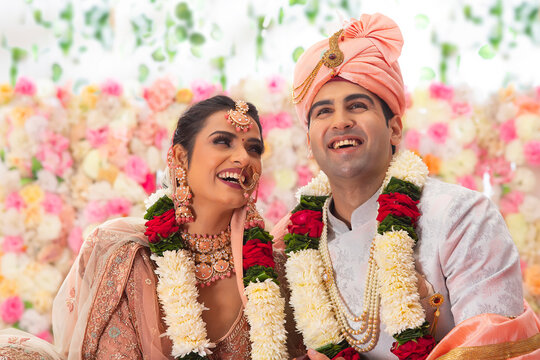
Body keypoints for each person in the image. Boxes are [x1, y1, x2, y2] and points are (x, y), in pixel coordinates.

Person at [272, 13, 540, 360]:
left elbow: (492, 348)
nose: (340, 121)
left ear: (394, 127)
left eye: (357, 105)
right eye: (323, 111)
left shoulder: (462, 217)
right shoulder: (292, 240)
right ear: (309, 142)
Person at [1, 95, 302, 359]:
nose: (243, 157)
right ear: (182, 157)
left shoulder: (274, 272)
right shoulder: (126, 258)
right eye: (223, 141)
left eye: (254, 148)